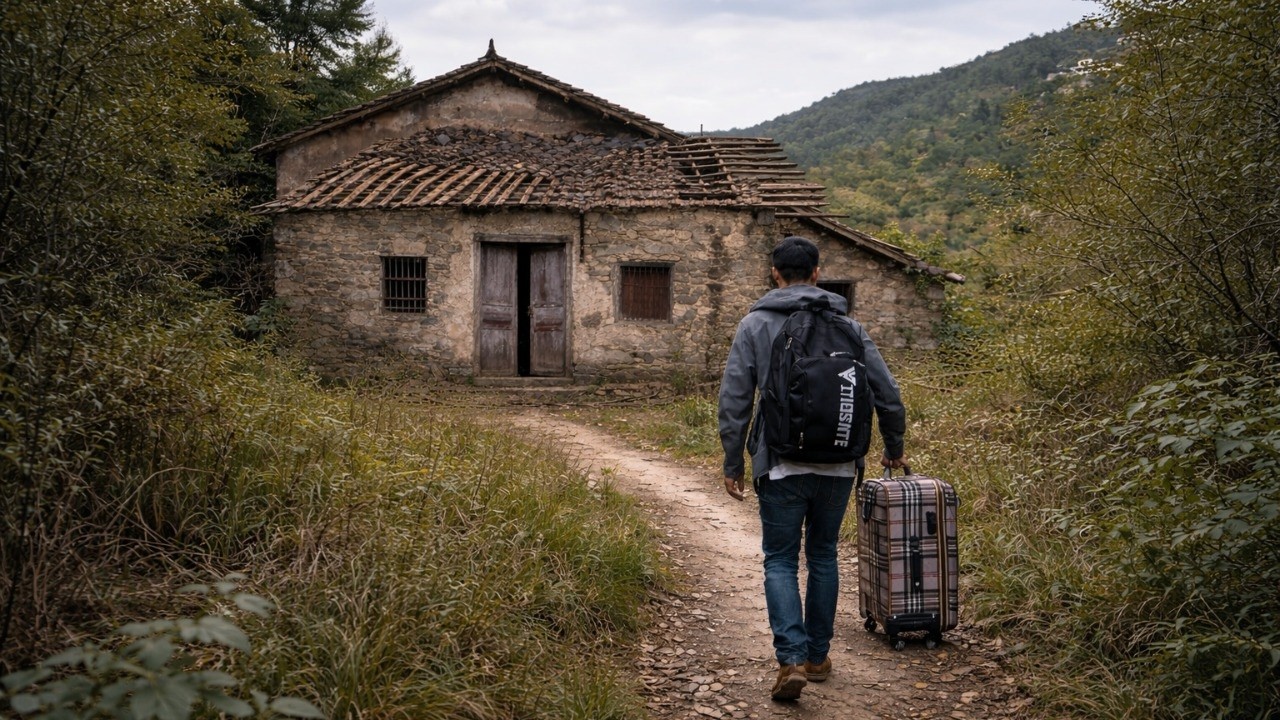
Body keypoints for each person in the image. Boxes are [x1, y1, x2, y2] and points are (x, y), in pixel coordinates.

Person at [718, 235, 908, 702]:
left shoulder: (756, 324)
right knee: (822, 556)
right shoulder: (850, 327)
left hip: (780, 463)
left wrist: (732, 459)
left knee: (780, 559)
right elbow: (887, 393)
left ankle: (791, 659)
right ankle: (819, 657)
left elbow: (735, 399)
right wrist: (894, 447)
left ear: (774, 274)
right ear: (818, 274)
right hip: (840, 464)